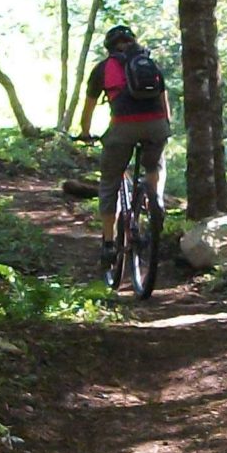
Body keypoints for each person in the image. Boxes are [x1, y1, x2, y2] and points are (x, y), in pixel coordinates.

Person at [77, 23, 170, 273]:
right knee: (156, 164)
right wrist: (164, 128)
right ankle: (155, 200)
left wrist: (85, 133)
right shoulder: (150, 63)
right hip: (156, 125)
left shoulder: (103, 69)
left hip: (122, 128)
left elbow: (87, 110)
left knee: (110, 181)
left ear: (109, 47)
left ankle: (108, 243)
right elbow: (164, 102)